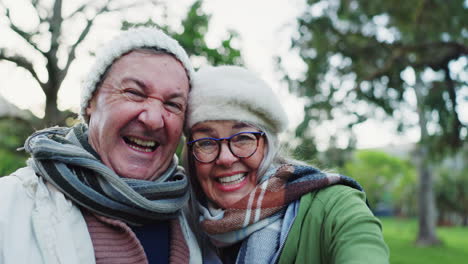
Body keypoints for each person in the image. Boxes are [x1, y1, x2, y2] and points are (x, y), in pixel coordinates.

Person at [0, 27, 202, 264]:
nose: (153, 119)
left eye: (172, 104)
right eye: (134, 93)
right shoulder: (9, 206)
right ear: (90, 102)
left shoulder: (200, 223)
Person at [182, 65, 390, 264]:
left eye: (243, 138)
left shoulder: (334, 205)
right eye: (206, 142)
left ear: (268, 145)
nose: (225, 158)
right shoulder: (181, 225)